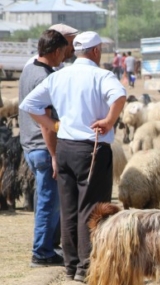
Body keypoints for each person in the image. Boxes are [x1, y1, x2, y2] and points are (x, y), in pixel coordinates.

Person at [19, 31, 126, 281]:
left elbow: (28, 105)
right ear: (96, 51)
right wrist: (109, 121)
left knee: (68, 209)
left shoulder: (59, 75)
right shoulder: (102, 75)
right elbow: (119, 96)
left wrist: (55, 125)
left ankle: (71, 265)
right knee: (91, 209)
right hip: (92, 148)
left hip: (65, 147)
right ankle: (86, 267)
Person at [19, 29, 68, 268]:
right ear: (57, 51)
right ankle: (41, 252)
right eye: (64, 52)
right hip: (43, 146)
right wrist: (54, 155)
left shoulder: (28, 70)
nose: (64, 57)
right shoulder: (46, 77)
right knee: (48, 202)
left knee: (44, 200)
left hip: (29, 144)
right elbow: (47, 123)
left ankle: (47, 246)